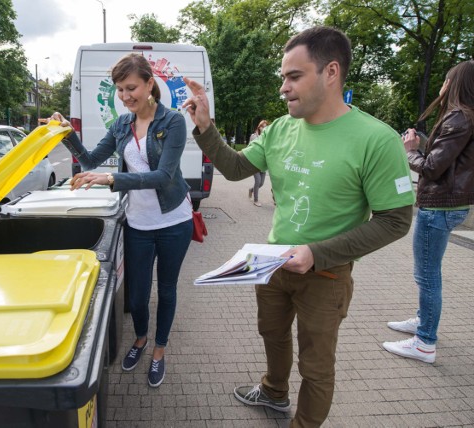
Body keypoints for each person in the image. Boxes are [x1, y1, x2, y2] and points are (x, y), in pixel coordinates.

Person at [182, 26, 415, 426]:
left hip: (325, 274)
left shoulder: (377, 139)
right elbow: (237, 169)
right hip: (272, 265)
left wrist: (316, 252)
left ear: (331, 72)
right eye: (283, 78)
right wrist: (205, 126)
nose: (283, 88)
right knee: (271, 336)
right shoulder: (279, 129)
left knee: (316, 367)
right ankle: (274, 392)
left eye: (294, 77)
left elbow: (395, 221)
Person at [48, 53, 193, 388]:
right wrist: (65, 133)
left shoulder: (172, 122)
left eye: (132, 88)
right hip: (139, 223)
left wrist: (110, 180)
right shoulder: (121, 124)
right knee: (138, 296)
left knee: (167, 289)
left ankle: (159, 350)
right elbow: (89, 159)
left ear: (149, 85)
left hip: (174, 221)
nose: (126, 96)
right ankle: (141, 339)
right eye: (120, 90)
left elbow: (163, 175)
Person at [383, 60, 474, 363]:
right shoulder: (464, 118)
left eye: (446, 80)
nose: (442, 85)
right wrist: (424, 145)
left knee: (427, 276)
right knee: (429, 273)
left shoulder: (457, 118)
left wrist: (410, 150)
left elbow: (433, 168)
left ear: (454, 83)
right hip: (451, 204)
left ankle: (424, 342)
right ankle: (423, 322)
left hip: (438, 206)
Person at [248, 119, 270, 206]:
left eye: (266, 126)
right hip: (255, 162)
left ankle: (251, 190)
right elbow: (249, 148)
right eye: (263, 126)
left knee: (261, 183)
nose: (264, 128)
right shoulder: (254, 136)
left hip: (263, 164)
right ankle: (256, 200)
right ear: (259, 127)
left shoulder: (268, 138)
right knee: (257, 181)